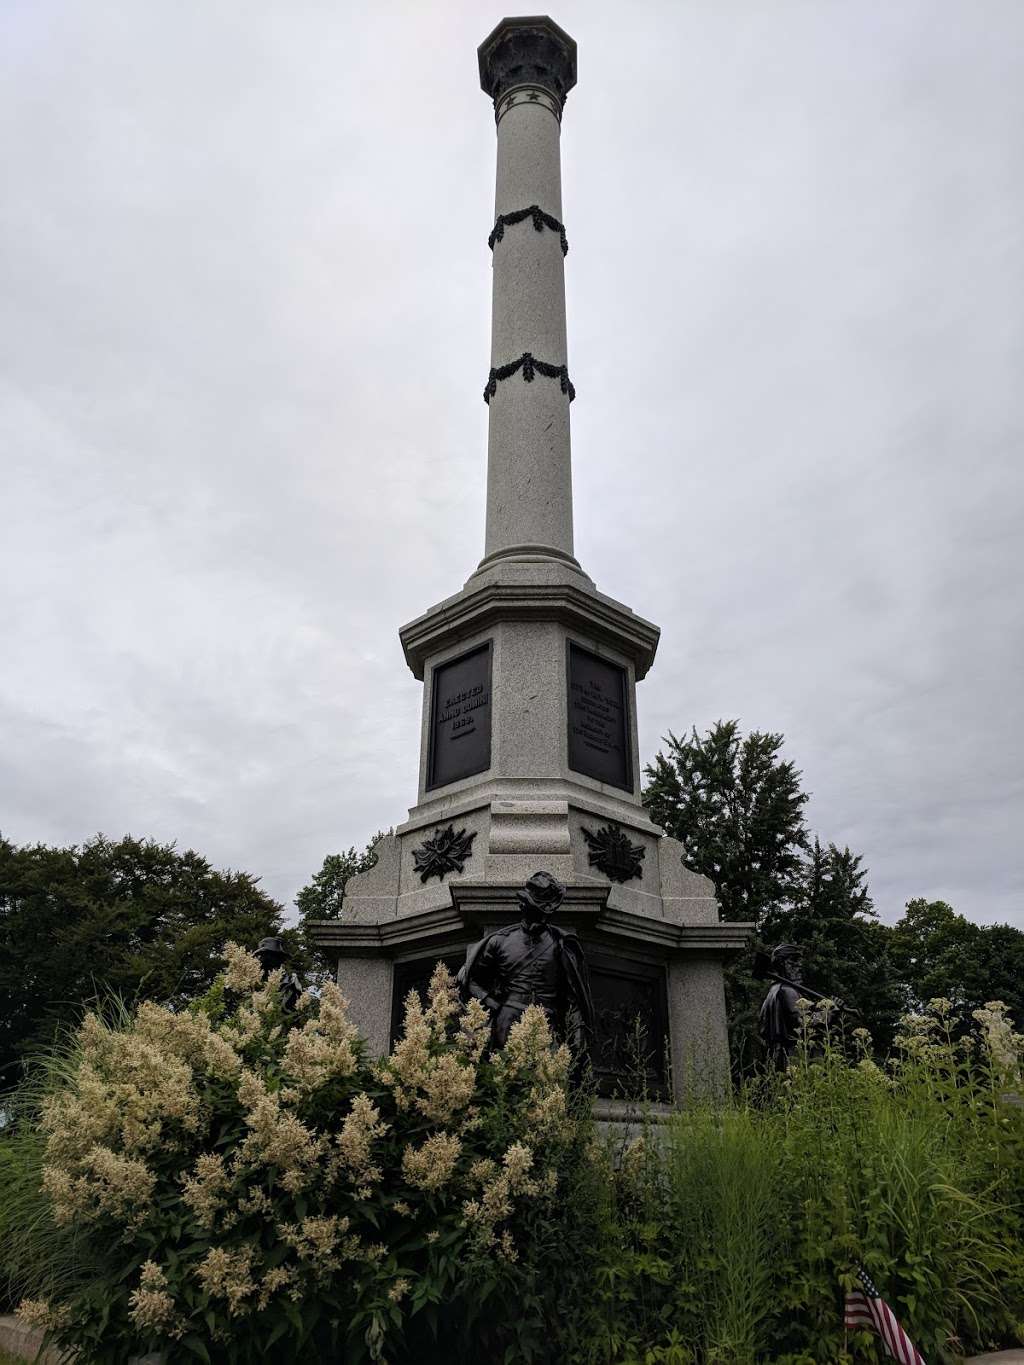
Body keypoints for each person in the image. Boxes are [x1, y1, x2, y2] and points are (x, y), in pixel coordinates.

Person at [457, 870, 594, 1057]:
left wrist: (578, 1034)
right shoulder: (499, 941)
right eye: (533, 907)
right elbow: (470, 979)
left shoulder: (562, 946)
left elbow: (573, 997)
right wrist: (490, 1001)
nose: (543, 916)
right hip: (507, 1024)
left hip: (548, 1025)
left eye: (544, 910)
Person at [758, 942, 806, 1069]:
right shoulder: (788, 991)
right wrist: (829, 1013)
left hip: (776, 1058)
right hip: (793, 1058)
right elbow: (804, 1024)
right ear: (781, 964)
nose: (799, 965)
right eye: (794, 960)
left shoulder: (772, 992)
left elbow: (762, 1029)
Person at [254, 936, 302, 1014]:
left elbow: (295, 1008)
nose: (264, 959)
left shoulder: (291, 981)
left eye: (271, 956)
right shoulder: (253, 982)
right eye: (263, 956)